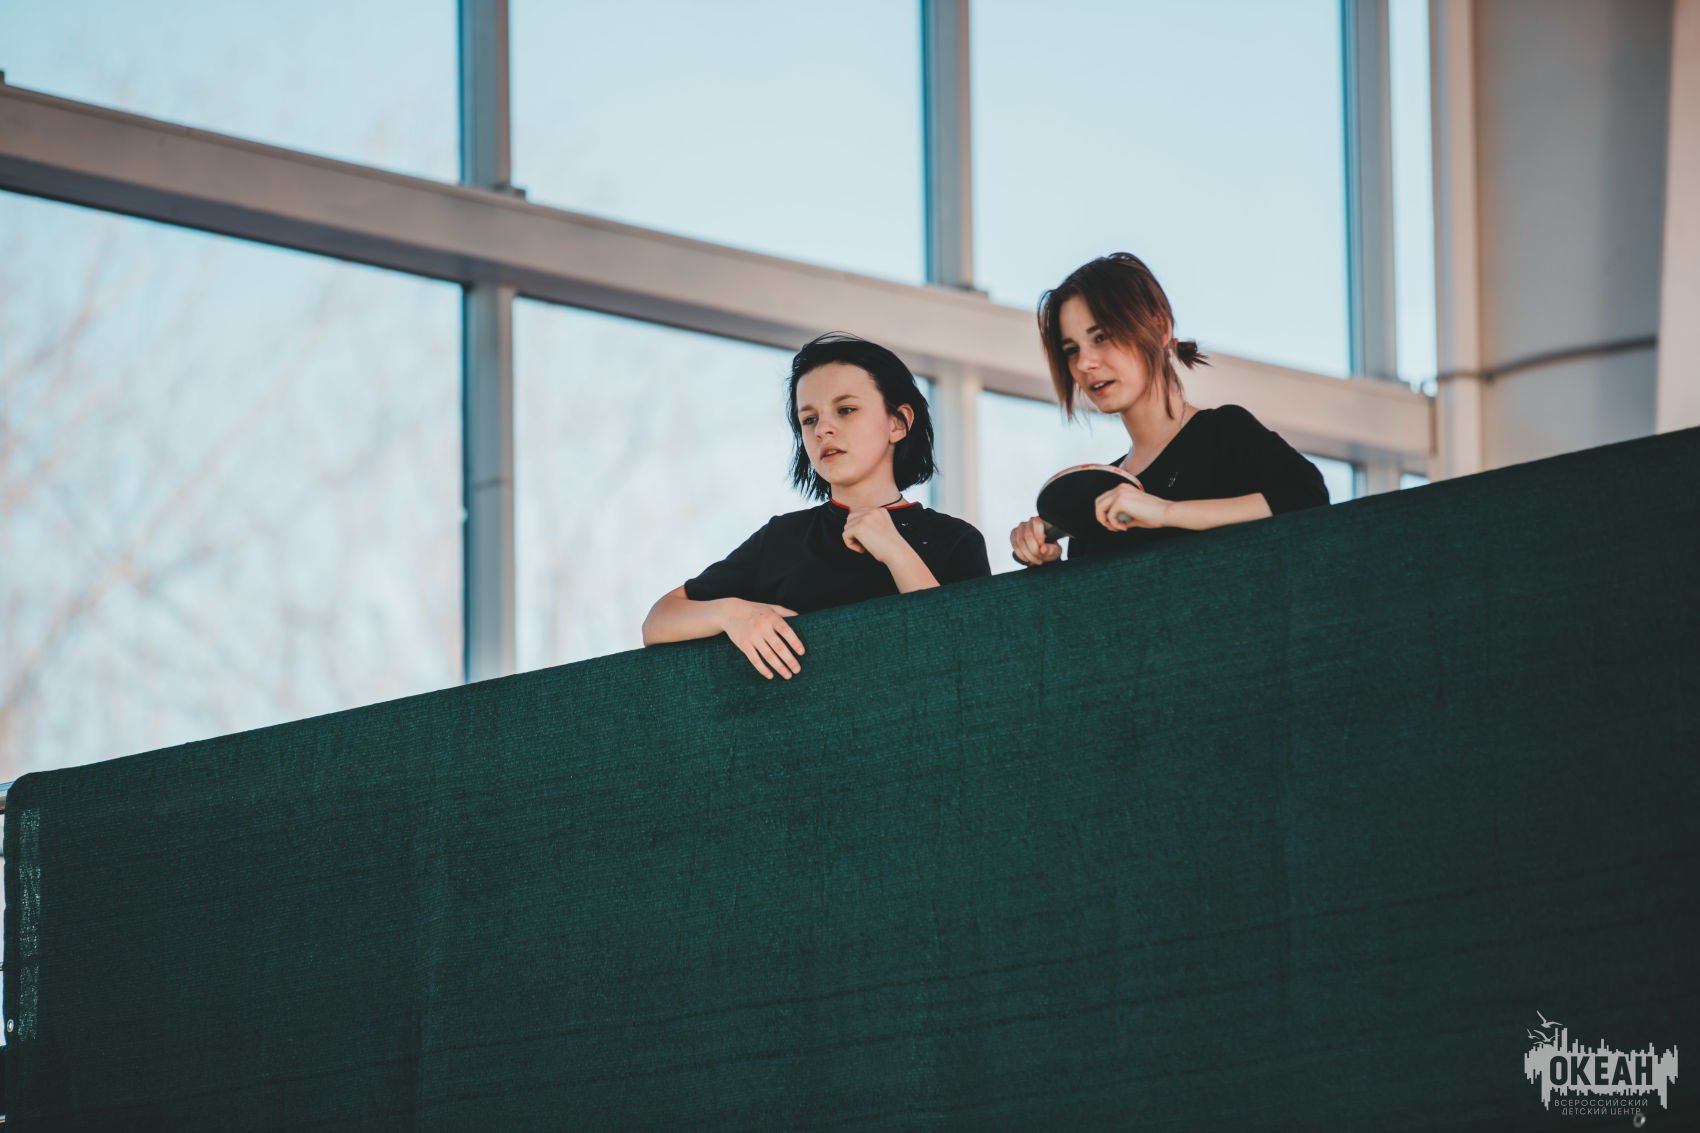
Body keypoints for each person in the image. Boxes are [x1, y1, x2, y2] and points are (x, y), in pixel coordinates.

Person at [643, 333, 991, 679]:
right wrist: (731, 614)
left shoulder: (956, 541)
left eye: (846, 410)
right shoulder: (781, 539)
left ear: (897, 423)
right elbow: (658, 621)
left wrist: (896, 552)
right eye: (809, 419)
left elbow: (971, 659)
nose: (823, 429)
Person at [1010, 253, 1329, 565]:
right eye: (1071, 350)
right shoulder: (1098, 493)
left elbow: (1307, 498)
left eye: (1101, 336)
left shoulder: (1222, 434)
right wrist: (1052, 568)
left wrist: (1166, 512)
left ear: (1160, 328)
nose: (1084, 363)